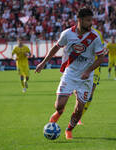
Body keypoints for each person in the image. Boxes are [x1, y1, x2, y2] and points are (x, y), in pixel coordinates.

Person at [35, 7, 104, 139]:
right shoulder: (67, 34)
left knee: (79, 110)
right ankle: (59, 112)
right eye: (88, 20)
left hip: (86, 78)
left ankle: (69, 129)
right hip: (70, 74)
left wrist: (88, 71)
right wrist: (43, 63)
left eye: (92, 20)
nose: (91, 23)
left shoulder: (94, 37)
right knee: (59, 105)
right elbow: (56, 47)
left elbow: (101, 58)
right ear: (80, 20)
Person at [77, 27, 105, 125]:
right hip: (80, 66)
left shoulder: (97, 33)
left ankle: (78, 118)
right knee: (79, 94)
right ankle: (76, 115)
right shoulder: (76, 32)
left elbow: (102, 49)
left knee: (90, 94)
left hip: (95, 66)